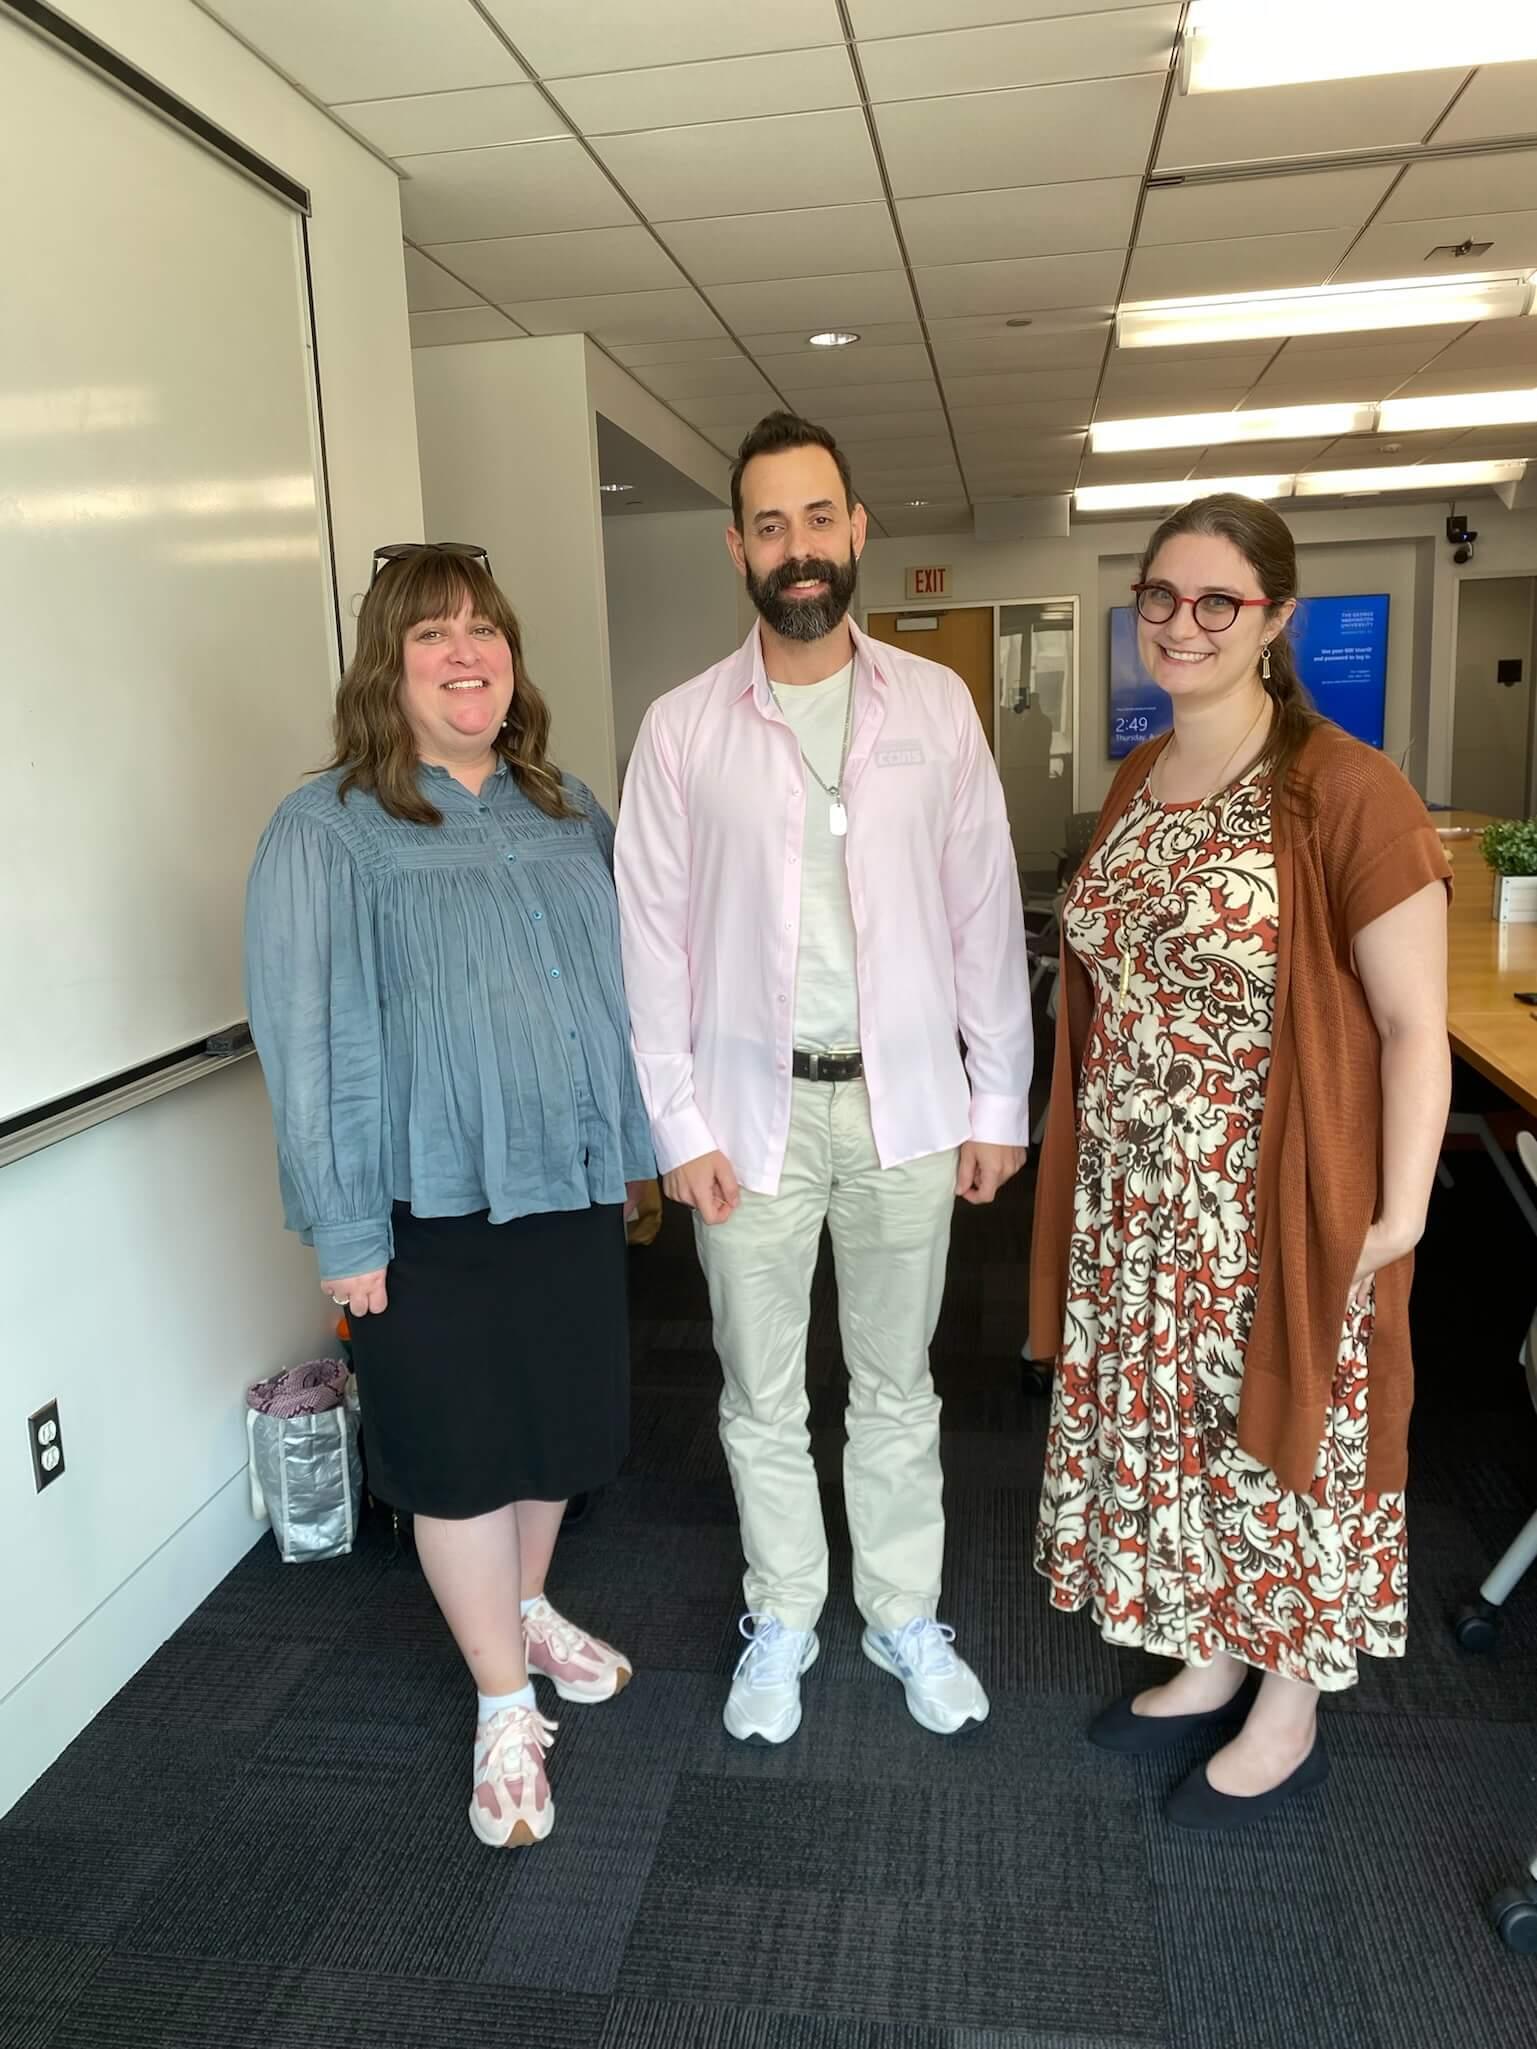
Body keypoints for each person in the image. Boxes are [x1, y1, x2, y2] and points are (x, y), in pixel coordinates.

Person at [1028, 494, 1451, 1828]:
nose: (1184, 622)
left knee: (1281, 1451)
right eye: (1161, 595)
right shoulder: (1138, 774)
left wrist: (1394, 1208)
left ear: (1270, 619)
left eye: (1218, 599)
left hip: (1267, 1201)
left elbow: (1408, 1026)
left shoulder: (1345, 788)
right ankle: (1205, 1647)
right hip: (1135, 1202)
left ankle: (1285, 1699)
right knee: (1178, 1440)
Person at [615, 412, 1033, 1744]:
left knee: (899, 1382)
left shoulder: (938, 707)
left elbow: (982, 914)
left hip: (908, 1105)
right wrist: (675, 1124)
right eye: (769, 523)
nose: (798, 548)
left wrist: (996, 1099)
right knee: (757, 1389)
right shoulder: (682, 729)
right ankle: (784, 1610)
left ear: (857, 530)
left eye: (818, 517)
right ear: (736, 546)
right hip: (748, 1115)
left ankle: (901, 1610)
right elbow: (649, 946)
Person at [246, 542, 652, 1850]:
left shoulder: (563, 803)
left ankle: (527, 1608)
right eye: (431, 634)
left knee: (550, 1435)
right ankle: (497, 1706)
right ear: (388, 663)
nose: (465, 652)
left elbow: (615, 991)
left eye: (483, 628)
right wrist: (346, 1227)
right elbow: (304, 1043)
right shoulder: (328, 828)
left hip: (570, 1184)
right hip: (425, 1212)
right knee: (460, 1462)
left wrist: (636, 1146)